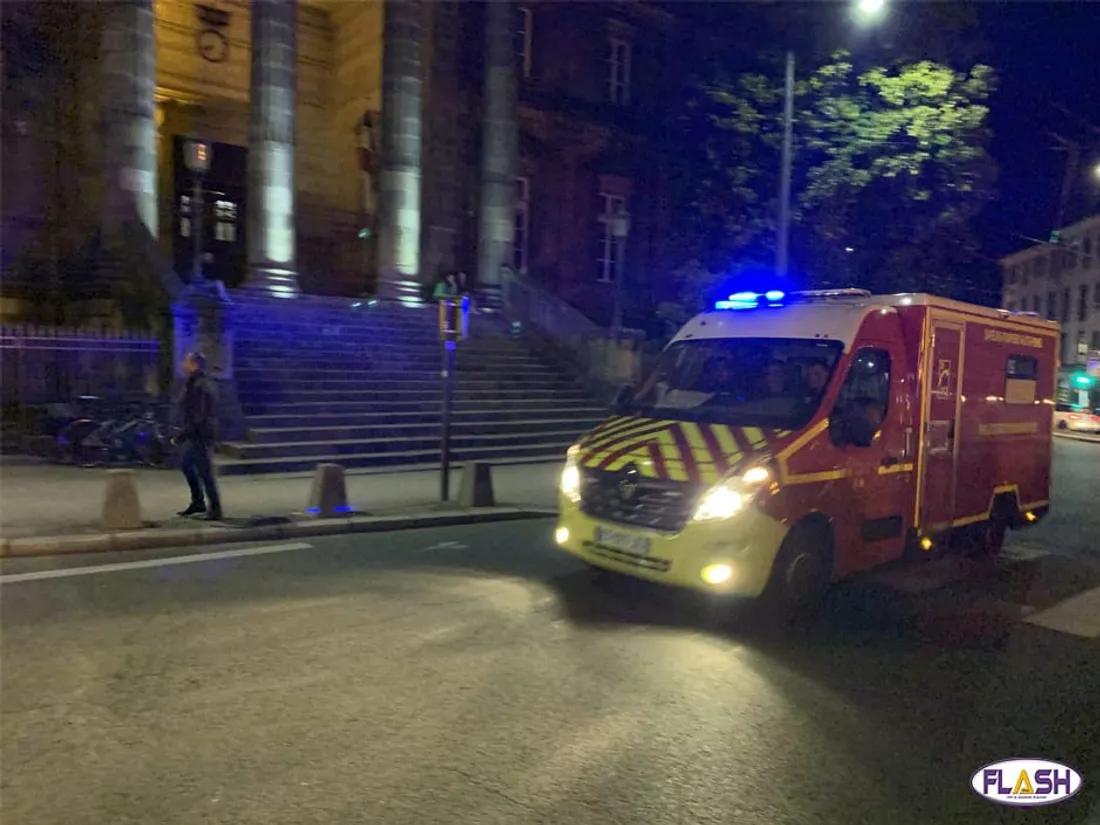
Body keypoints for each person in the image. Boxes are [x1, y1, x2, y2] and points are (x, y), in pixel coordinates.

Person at [174, 351, 222, 520]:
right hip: (195, 432)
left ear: (194, 364)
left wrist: (182, 434)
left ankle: (215, 509)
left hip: (200, 434)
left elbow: (199, 415)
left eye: (185, 361)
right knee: (186, 465)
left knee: (204, 471)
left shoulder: (201, 384)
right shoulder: (194, 382)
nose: (182, 364)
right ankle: (198, 502)